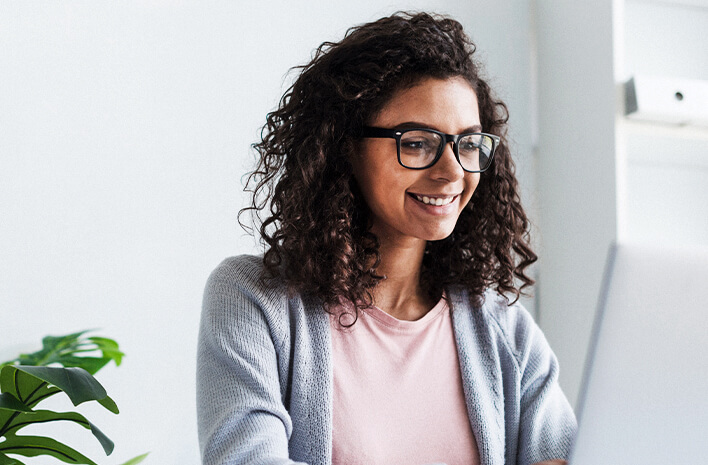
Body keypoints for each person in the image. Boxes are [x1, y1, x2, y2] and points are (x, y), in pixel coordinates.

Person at [197, 11, 576, 465]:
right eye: (417, 142)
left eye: (469, 144)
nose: (452, 171)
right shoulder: (255, 300)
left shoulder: (504, 330)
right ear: (344, 147)